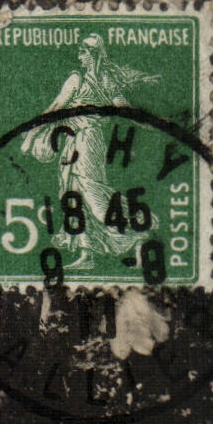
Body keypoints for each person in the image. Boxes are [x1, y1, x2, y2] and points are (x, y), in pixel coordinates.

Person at [18, 34, 160, 272]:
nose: (79, 56)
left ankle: (138, 232)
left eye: (83, 52)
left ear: (93, 54)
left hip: (89, 141)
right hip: (71, 143)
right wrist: (32, 135)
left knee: (92, 193)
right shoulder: (77, 79)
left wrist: (149, 121)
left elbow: (124, 108)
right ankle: (87, 253)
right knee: (72, 195)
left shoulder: (104, 81)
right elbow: (54, 109)